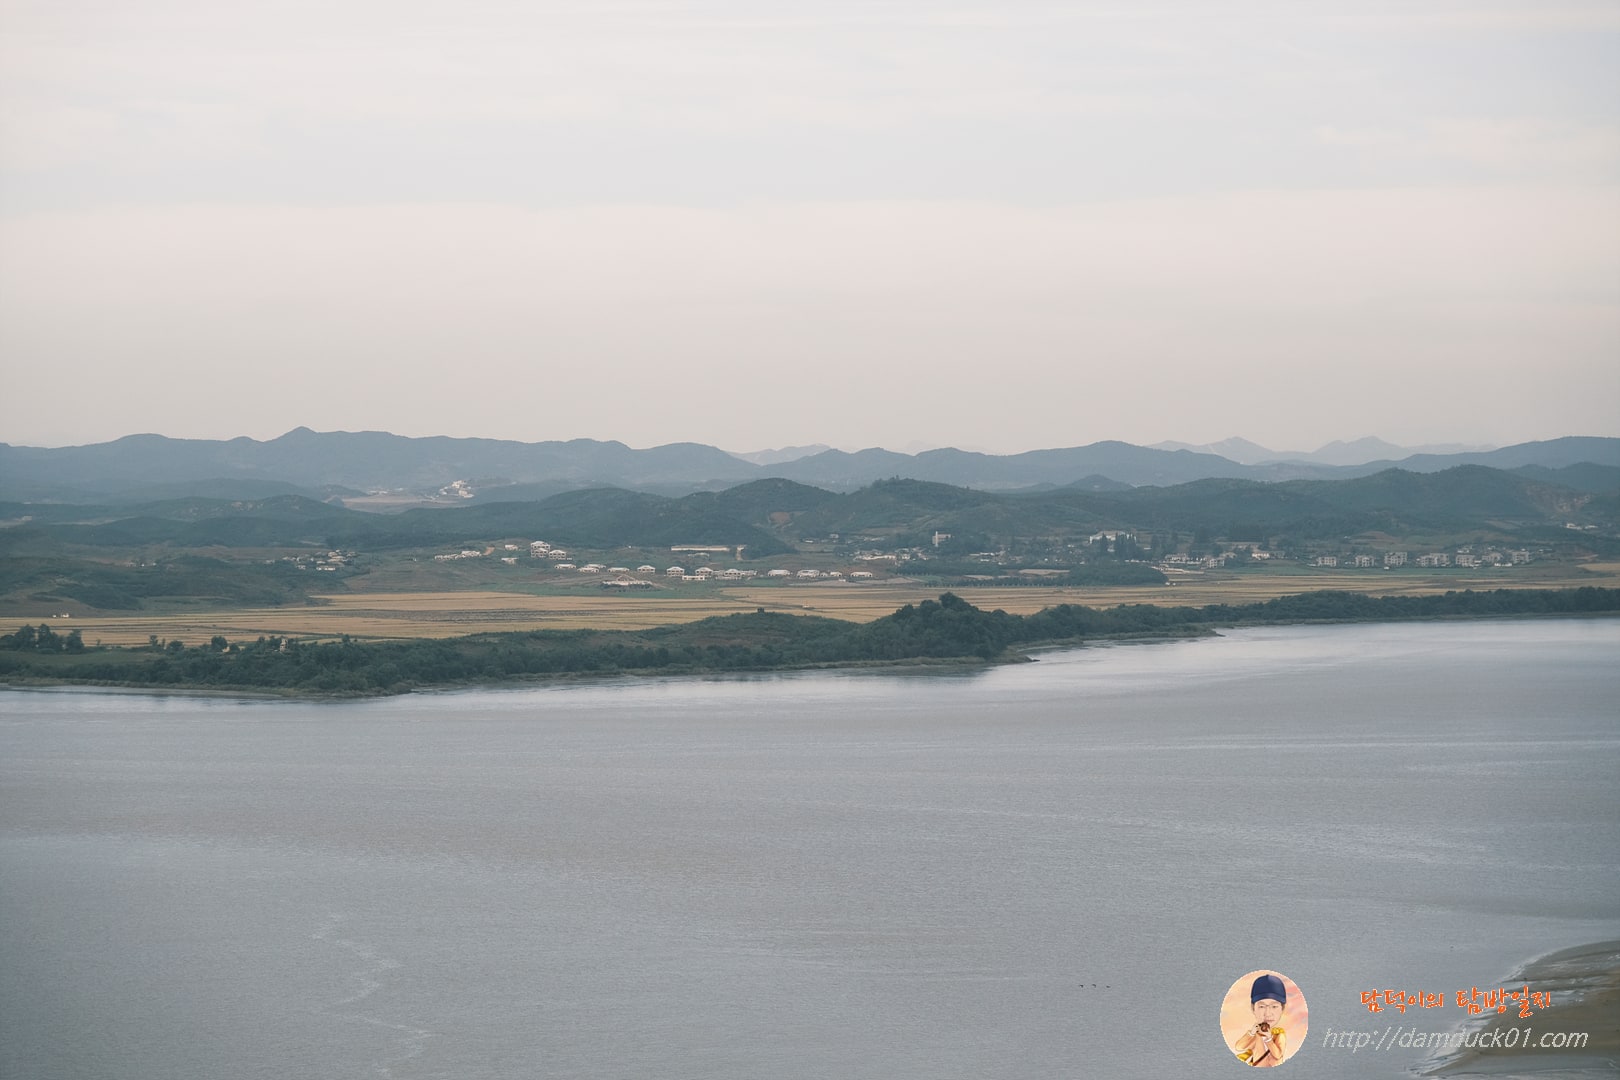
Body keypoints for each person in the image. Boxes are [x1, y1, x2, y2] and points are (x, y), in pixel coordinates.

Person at [1233, 973, 1288, 1067]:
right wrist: (1251, 1033)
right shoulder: (1256, 1034)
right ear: (1253, 1008)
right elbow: (1239, 1047)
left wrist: (1269, 1039)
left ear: (1282, 1009)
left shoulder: (1279, 1035)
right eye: (1262, 1006)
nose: (1267, 1013)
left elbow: (1278, 1055)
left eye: (1274, 1006)